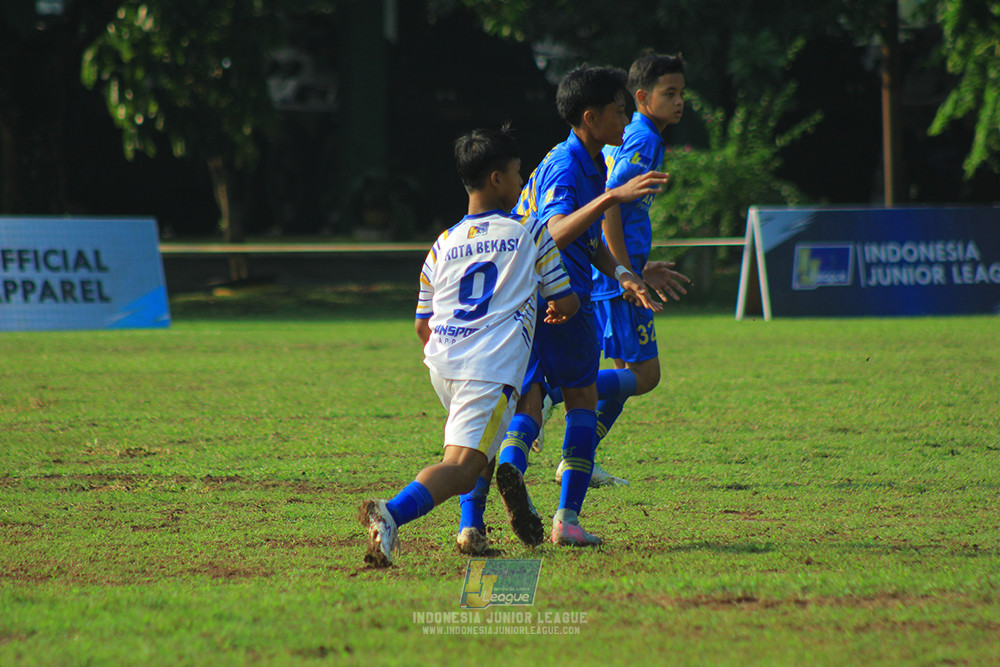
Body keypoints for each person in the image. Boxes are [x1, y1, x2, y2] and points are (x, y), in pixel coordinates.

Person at [358, 126, 579, 567]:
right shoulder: (530, 230)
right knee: (461, 467)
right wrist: (555, 310)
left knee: (481, 455)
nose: (523, 183)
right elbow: (566, 299)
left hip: (444, 363)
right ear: (497, 179)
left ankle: (470, 530)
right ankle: (391, 514)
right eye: (519, 174)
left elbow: (422, 324)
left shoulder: (442, 244)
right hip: (490, 367)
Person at [486, 66, 669, 548]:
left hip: (527, 299)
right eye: (618, 109)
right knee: (582, 399)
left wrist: (625, 272)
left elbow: (587, 242)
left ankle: (511, 468)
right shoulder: (571, 166)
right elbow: (555, 231)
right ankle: (566, 519)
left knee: (530, 399)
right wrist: (613, 196)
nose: (626, 115)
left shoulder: (588, 162)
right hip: (560, 300)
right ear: (591, 117)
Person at [552, 52, 692, 487]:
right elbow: (611, 203)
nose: (679, 101)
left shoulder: (637, 133)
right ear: (642, 96)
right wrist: (626, 272)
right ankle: (551, 394)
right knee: (644, 376)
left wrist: (638, 265)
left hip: (616, 269)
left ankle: (579, 458)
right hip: (613, 275)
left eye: (682, 93)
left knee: (625, 373)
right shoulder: (642, 138)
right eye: (669, 94)